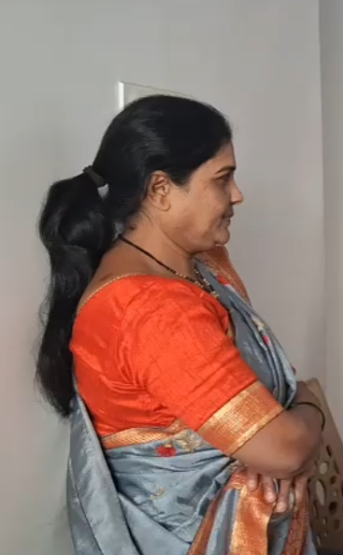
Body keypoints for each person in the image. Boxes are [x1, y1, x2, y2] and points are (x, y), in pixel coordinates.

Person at [36, 95, 324, 554]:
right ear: (160, 190)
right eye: (222, 178)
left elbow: (277, 441)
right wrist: (311, 406)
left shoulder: (206, 267)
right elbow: (283, 450)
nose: (237, 194)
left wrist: (294, 440)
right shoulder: (146, 308)